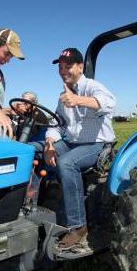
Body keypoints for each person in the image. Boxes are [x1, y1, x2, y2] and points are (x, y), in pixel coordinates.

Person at [41, 47, 116, 250]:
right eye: (61, 67)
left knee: (66, 163)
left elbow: (109, 103)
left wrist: (78, 100)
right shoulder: (63, 97)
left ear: (80, 66)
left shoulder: (92, 86)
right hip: (72, 142)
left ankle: (78, 226)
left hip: (96, 144)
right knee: (39, 151)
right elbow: (58, 125)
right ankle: (47, 205)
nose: (64, 70)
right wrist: (49, 144)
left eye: (69, 66)